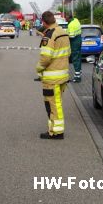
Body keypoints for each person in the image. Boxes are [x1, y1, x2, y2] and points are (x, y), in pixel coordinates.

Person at [35, 11, 70, 139]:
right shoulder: (63, 32)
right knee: (57, 103)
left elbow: (45, 58)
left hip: (52, 78)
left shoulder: (49, 36)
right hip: (63, 75)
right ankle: (54, 129)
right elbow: (69, 52)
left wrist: (38, 68)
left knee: (52, 105)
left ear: (43, 22)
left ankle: (57, 132)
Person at [66, 14, 82, 82]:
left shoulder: (71, 25)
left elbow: (71, 36)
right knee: (78, 57)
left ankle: (77, 77)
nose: (65, 19)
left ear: (69, 18)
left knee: (75, 58)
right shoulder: (76, 20)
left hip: (74, 42)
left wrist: (66, 35)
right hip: (79, 40)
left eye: (66, 17)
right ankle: (78, 73)